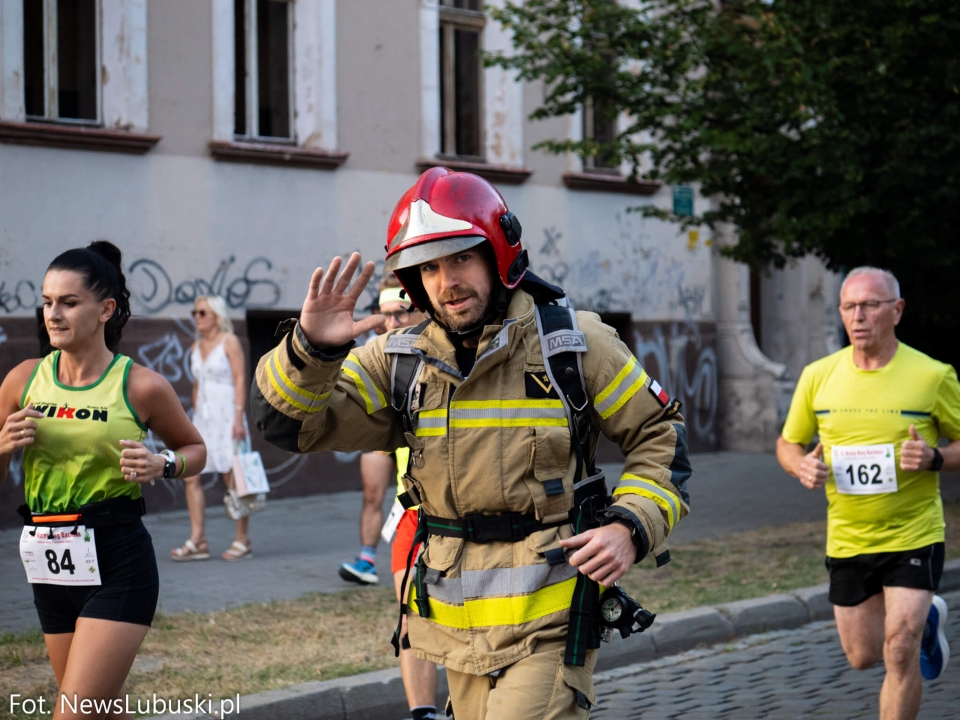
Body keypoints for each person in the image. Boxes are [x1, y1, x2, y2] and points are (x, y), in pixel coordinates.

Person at [252, 167, 690, 719]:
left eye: (461, 257)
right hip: (455, 632)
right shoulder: (398, 361)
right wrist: (310, 350)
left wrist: (631, 526)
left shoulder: (574, 345)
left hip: (550, 623)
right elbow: (286, 426)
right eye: (428, 267)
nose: (446, 281)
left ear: (498, 252)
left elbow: (661, 436)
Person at [0, 241, 206, 720]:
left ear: (105, 310)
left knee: (73, 713)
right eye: (48, 301)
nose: (53, 314)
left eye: (69, 303)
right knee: (102, 712)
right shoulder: (23, 379)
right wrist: (4, 446)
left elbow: (195, 449)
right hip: (48, 560)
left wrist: (163, 464)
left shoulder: (140, 385)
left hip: (117, 559)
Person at [777, 266, 960, 720]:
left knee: (899, 652)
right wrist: (801, 464)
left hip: (914, 534)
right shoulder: (818, 376)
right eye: (849, 306)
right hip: (849, 537)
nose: (858, 316)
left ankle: (916, 628)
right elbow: (787, 442)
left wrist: (935, 458)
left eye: (870, 305)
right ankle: (930, 617)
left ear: (896, 311)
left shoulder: (933, 375)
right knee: (862, 655)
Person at [340, 274, 428, 586]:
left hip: (421, 451)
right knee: (372, 493)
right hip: (384, 435)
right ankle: (366, 559)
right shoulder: (373, 349)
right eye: (385, 314)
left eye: (399, 313)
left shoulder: (437, 350)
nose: (391, 323)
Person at [170, 295, 251, 561]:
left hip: (228, 415)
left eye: (202, 312)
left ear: (217, 315)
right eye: (195, 312)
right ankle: (198, 539)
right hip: (203, 418)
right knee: (191, 473)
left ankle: (242, 539)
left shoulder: (230, 341)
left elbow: (240, 379)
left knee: (233, 477)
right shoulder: (196, 345)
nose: (197, 317)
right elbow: (196, 385)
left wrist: (239, 418)